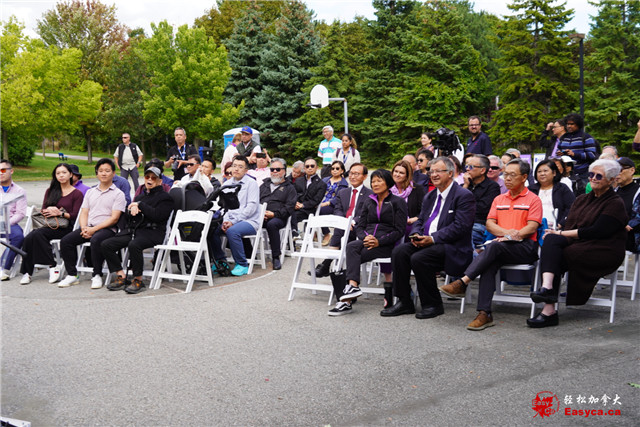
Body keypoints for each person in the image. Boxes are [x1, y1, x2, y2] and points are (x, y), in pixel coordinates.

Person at [439, 159, 542, 331]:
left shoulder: (533, 199)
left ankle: (463, 282)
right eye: (505, 174)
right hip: (502, 246)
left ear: (524, 177)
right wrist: (506, 234)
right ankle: (484, 313)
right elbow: (489, 224)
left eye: (512, 175)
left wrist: (510, 236)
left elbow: (532, 227)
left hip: (525, 247)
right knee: (490, 260)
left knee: (492, 248)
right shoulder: (499, 199)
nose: (507, 178)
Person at [529, 159, 627, 327]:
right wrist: (557, 234)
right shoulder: (582, 199)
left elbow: (596, 231)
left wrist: (561, 233)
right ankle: (546, 288)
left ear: (611, 180)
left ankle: (549, 310)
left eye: (598, 176)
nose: (593, 178)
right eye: (591, 174)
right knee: (551, 241)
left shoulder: (615, 203)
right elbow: (570, 225)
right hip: (579, 243)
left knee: (557, 254)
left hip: (604, 249)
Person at [381, 157, 476, 319]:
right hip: (428, 242)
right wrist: (416, 234)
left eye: (439, 171)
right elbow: (421, 220)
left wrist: (432, 238)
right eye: (431, 171)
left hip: (452, 247)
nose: (434, 175)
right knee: (399, 252)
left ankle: (433, 304)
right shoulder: (430, 196)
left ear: (450, 173)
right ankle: (404, 301)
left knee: (420, 258)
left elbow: (461, 227)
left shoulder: (463, 195)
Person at [338, 169, 407, 313]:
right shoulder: (369, 201)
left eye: (379, 181)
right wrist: (366, 238)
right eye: (373, 181)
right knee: (351, 246)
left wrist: (379, 241)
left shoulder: (397, 202)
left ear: (388, 183)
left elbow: (399, 230)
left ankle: (347, 300)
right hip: (368, 241)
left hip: (387, 244)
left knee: (353, 259)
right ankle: (353, 287)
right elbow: (360, 226)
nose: (375, 184)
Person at [102, 165, 173, 294]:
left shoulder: (165, 197)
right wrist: (131, 210)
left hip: (154, 232)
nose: (149, 179)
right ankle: (121, 275)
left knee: (134, 245)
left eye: (153, 178)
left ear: (160, 181)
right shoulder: (140, 197)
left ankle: (138, 280)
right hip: (136, 231)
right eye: (147, 177)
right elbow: (130, 218)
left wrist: (140, 205)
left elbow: (157, 216)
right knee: (107, 244)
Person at [58, 158, 126, 289]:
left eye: (107, 171)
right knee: (66, 241)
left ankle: (97, 275)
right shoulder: (90, 192)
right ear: (96, 173)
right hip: (88, 227)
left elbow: (114, 219)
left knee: (96, 240)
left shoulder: (118, 194)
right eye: (100, 171)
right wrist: (84, 228)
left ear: (113, 173)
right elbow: (84, 212)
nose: (104, 173)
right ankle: (72, 274)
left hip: (107, 229)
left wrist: (93, 230)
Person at [317, 164, 374, 315]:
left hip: (358, 229)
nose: (353, 176)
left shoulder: (370, 194)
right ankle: (332, 267)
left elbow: (366, 214)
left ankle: (327, 263)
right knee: (340, 230)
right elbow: (337, 210)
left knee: (343, 239)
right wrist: (344, 222)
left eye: (357, 174)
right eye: (351, 173)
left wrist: (352, 222)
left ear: (364, 176)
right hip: (343, 227)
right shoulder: (343, 192)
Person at [19, 163, 84, 285]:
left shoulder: (77, 194)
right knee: (29, 238)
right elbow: (43, 209)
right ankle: (29, 272)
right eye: (58, 173)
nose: (61, 175)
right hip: (49, 224)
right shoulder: (50, 191)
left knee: (37, 234)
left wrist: (60, 213)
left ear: (71, 174)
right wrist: (49, 210)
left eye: (64, 172)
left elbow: (76, 215)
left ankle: (51, 266)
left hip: (66, 227)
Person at [208, 155, 261, 277]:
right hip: (230, 220)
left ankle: (242, 264)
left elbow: (251, 208)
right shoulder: (227, 184)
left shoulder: (251, 184)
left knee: (232, 231)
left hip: (249, 221)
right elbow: (225, 207)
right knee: (212, 229)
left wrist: (234, 222)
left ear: (246, 170)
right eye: (234, 166)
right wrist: (226, 220)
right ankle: (220, 261)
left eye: (240, 167)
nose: (236, 169)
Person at [259, 158, 296, 270]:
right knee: (245, 223)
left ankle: (275, 256)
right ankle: (248, 253)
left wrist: (274, 214)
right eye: (272, 169)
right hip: (261, 216)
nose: (274, 171)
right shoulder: (264, 185)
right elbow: (255, 201)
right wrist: (261, 213)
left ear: (284, 171)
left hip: (279, 218)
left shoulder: (290, 188)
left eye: (278, 169)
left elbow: (289, 208)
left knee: (272, 224)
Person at [461, 154, 501, 251]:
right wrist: (465, 186)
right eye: (466, 166)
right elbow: (454, 205)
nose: (467, 169)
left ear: (482, 170)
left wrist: (464, 204)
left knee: (463, 238)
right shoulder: (464, 186)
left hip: (478, 225)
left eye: (471, 167)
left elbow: (481, 209)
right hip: (460, 223)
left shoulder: (492, 187)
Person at [529, 160, 575, 230]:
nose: (542, 174)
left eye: (545, 171)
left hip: (556, 227)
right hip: (533, 227)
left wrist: (561, 223)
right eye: (539, 171)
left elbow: (571, 207)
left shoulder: (562, 188)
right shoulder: (531, 189)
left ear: (554, 173)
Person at [556, 113, 598, 192]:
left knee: (582, 194)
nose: (569, 126)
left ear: (578, 124)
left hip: (582, 173)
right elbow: (558, 151)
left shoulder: (586, 137)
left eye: (572, 124)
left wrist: (575, 154)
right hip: (565, 174)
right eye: (567, 124)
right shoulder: (563, 138)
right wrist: (560, 153)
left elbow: (592, 154)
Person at [0, 160, 27, 280]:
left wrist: (6, 223)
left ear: (11, 171)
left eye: (3, 170)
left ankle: (3, 267)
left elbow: (20, 213)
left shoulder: (19, 191)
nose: (0, 173)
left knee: (18, 236)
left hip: (10, 223)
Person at [390, 160, 425, 237]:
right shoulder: (387, 189)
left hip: (410, 225)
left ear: (407, 175)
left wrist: (415, 218)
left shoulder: (417, 189)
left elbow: (424, 210)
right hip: (390, 226)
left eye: (401, 173)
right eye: (396, 171)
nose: (397, 175)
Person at [291, 158, 325, 237]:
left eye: (312, 166)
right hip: (295, 207)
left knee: (292, 215)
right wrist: (295, 203)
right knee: (283, 212)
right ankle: (290, 237)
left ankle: (294, 235)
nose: (310, 168)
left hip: (309, 210)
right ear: (304, 168)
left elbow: (316, 200)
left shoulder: (321, 184)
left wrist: (302, 205)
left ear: (316, 168)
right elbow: (293, 194)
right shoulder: (298, 180)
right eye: (307, 166)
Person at [319, 160, 349, 245]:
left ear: (342, 171)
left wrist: (327, 203)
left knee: (321, 211)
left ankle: (327, 234)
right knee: (311, 210)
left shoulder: (344, 183)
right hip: (320, 202)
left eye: (337, 168)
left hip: (333, 205)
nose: (334, 170)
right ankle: (313, 233)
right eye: (333, 168)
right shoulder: (325, 180)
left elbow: (339, 198)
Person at [614, 157, 639, 251]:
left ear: (632, 170)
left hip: (632, 243)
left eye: (620, 169)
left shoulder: (638, 192)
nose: (617, 173)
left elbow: (637, 219)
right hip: (613, 242)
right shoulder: (613, 192)